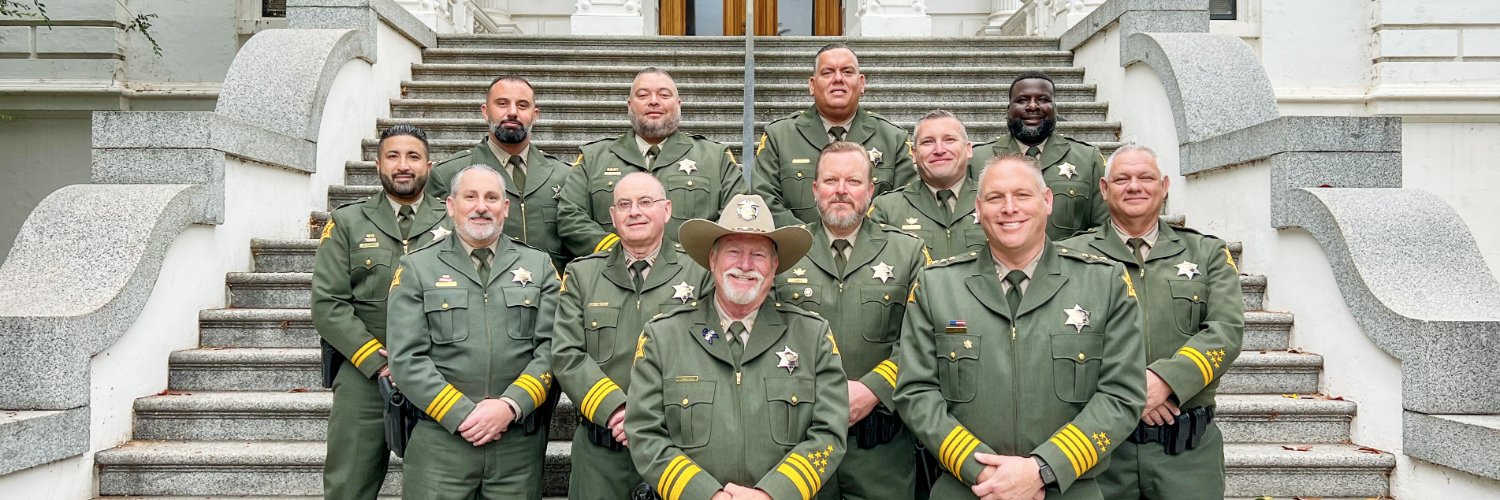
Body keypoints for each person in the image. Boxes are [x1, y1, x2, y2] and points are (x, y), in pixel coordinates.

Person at [895, 154, 1144, 499]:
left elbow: (1121, 394)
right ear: (978, 209)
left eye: (1022, 195)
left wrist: (1042, 469)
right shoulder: (937, 285)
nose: (1009, 208)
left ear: (1047, 202)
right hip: (967, 488)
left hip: (1068, 488)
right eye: (995, 198)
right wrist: (981, 470)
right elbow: (916, 391)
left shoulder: (1105, 283)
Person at [627, 194, 848, 500]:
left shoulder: (812, 336)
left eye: (758, 255)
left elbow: (829, 433)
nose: (745, 265)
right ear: (713, 260)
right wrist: (708, 495)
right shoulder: (663, 337)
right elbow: (645, 434)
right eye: (733, 251)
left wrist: (772, 495)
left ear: (774, 265)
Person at [1059, 144, 1244, 500]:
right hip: (1099, 452)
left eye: (1146, 178)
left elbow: (1226, 331)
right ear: (1103, 188)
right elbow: (1054, 341)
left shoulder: (1207, 253)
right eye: (1122, 178)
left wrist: (1165, 381)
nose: (1134, 186)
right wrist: (1131, 391)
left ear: (1164, 186)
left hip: (1186, 454)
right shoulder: (1070, 257)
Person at [387, 165, 560, 499]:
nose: (482, 206)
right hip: (441, 442)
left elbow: (553, 348)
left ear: (505, 208)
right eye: (471, 197)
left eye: (492, 197)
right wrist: (464, 414)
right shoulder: (417, 268)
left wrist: (510, 406)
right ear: (451, 206)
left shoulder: (539, 266)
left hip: (516, 446)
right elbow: (406, 357)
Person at [773, 142, 927, 500]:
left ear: (871, 190)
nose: (841, 190)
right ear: (814, 189)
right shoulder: (784, 252)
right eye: (830, 180)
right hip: (798, 446)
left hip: (881, 451)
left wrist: (874, 388)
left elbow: (924, 338)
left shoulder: (908, 253)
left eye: (853, 181)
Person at [552, 172, 711, 499]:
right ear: (612, 216)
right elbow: (567, 354)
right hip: (601, 454)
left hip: (678, 451)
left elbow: (711, 351)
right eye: (624, 204)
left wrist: (648, 419)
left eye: (645, 202)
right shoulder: (582, 275)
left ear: (666, 210)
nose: (634, 211)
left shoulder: (700, 274)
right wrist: (615, 410)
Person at [312, 124, 450, 500]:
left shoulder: (454, 220)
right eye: (393, 156)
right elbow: (328, 304)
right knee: (349, 483)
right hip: (366, 374)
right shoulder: (347, 223)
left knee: (440, 486)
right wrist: (379, 362)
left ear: (429, 165)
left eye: (413, 157)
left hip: (440, 370)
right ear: (377, 164)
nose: (403, 166)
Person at [558, 67, 763, 258]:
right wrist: (621, 252)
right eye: (643, 95)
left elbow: (738, 217)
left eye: (664, 95)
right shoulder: (594, 158)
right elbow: (570, 216)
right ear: (630, 105)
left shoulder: (715, 157)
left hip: (693, 281)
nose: (654, 101)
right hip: (613, 276)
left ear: (678, 104)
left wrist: (688, 258)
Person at [755, 42, 915, 226]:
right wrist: (807, 241)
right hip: (800, 251)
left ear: (862, 83)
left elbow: (906, 202)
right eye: (827, 72)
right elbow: (764, 201)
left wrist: (862, 240)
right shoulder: (779, 137)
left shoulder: (893, 139)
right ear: (812, 85)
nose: (838, 79)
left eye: (847, 72)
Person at [426, 75, 571, 270]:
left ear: (535, 114)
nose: (512, 112)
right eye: (502, 103)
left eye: (522, 105)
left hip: (551, 292)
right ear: (485, 112)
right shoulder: (448, 174)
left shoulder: (564, 175)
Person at [968, 71, 1107, 241]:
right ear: (1008, 110)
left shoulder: (1087, 158)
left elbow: (1104, 229)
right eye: (1022, 100)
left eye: (1043, 99)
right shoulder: (976, 160)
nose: (1033, 106)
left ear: (1055, 109)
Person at [869, 109, 986, 260]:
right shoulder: (887, 209)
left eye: (949, 140)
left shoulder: (994, 201)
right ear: (914, 154)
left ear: (968, 149)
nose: (939, 150)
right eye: (928, 142)